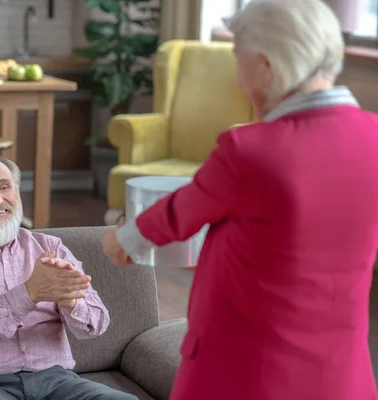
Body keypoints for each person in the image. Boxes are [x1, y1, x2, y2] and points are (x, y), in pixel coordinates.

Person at [102, 0, 378, 399]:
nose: (237, 76)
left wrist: (124, 239)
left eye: (239, 60)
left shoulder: (250, 150)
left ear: (266, 66)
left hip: (247, 372)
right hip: (341, 376)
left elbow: (183, 210)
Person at [0, 152, 136, 400]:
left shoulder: (51, 247)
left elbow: (96, 325)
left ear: (17, 193)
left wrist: (70, 301)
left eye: (4, 187)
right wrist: (29, 293)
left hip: (58, 383)